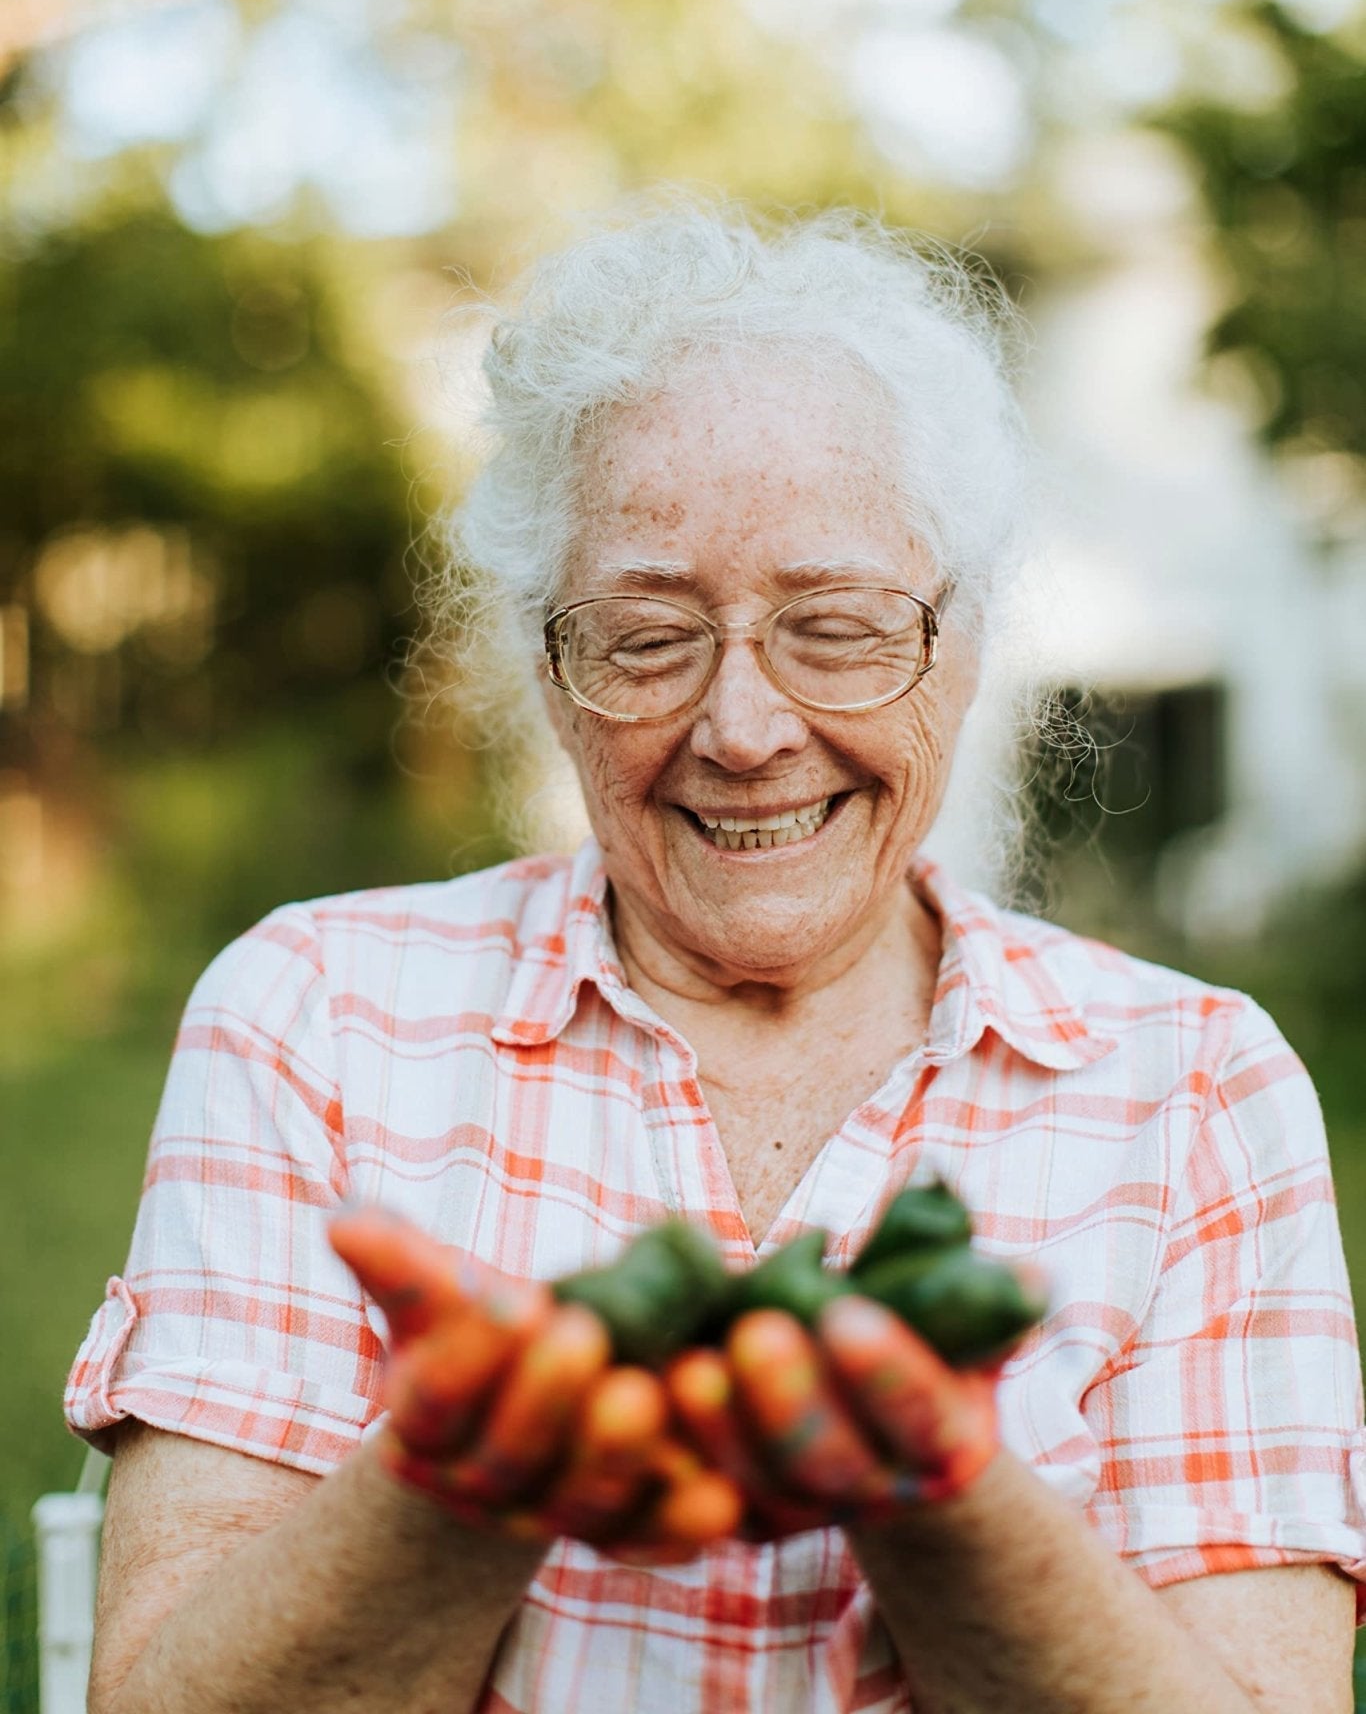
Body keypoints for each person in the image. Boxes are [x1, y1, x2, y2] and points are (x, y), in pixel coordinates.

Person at [67, 202, 1365, 1714]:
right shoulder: (315, 1017)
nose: (742, 730)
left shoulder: (1194, 1085)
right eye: (643, 636)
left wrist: (948, 1502)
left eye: (834, 628)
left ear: (964, 638)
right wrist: (452, 1483)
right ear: (545, 671)